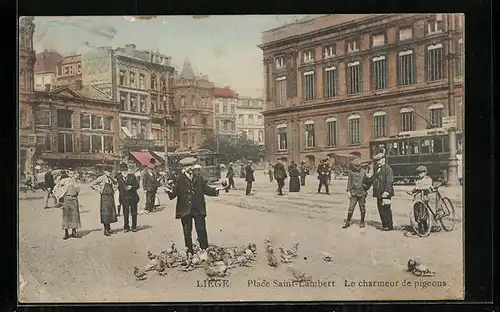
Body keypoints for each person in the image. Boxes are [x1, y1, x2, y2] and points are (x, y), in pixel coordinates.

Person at [165, 157, 227, 257]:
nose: (189, 168)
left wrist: (216, 189)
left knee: (201, 229)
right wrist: (169, 191)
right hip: (185, 209)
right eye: (187, 166)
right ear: (183, 168)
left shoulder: (198, 178)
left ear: (193, 166)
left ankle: (204, 249)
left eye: (191, 166)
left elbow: (205, 189)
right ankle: (189, 250)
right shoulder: (179, 179)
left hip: (198, 208)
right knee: (187, 231)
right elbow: (174, 193)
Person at [53, 171, 82, 240]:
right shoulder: (64, 180)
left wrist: (74, 183)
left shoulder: (77, 181)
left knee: (75, 216)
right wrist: (59, 195)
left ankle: (74, 232)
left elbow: (78, 190)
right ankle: (66, 233)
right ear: (68, 174)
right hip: (67, 199)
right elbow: (56, 187)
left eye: (74, 173)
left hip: (74, 199)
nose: (73, 175)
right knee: (66, 216)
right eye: (71, 174)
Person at [91, 166, 118, 236]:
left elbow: (117, 184)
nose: (109, 173)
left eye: (110, 171)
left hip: (111, 197)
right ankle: (106, 230)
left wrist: (114, 190)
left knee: (110, 212)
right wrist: (99, 190)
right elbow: (92, 184)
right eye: (108, 171)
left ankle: (109, 228)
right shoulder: (101, 178)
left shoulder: (111, 178)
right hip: (104, 197)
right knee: (105, 213)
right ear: (104, 171)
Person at [343, 159, 370, 229]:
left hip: (362, 193)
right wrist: (348, 191)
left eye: (358, 166)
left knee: (362, 208)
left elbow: (368, 182)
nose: (357, 167)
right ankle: (348, 222)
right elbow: (349, 182)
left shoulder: (364, 172)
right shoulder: (351, 172)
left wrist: (369, 178)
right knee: (351, 208)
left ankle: (362, 221)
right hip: (353, 193)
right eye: (355, 166)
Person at [371, 153, 395, 231]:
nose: (378, 162)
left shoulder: (388, 169)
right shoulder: (376, 168)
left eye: (379, 160)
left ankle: (389, 225)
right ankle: (384, 224)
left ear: (383, 159)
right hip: (379, 192)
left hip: (385, 192)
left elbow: (389, 181)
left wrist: (387, 191)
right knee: (380, 209)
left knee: (386, 209)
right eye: (377, 160)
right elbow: (374, 179)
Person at [116, 163, 140, 232]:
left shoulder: (132, 176)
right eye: (123, 171)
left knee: (134, 213)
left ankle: (134, 226)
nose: (124, 172)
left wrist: (132, 187)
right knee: (125, 213)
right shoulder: (119, 178)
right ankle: (126, 227)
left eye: (125, 170)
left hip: (133, 197)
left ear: (127, 170)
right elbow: (118, 187)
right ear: (121, 171)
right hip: (124, 198)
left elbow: (137, 186)